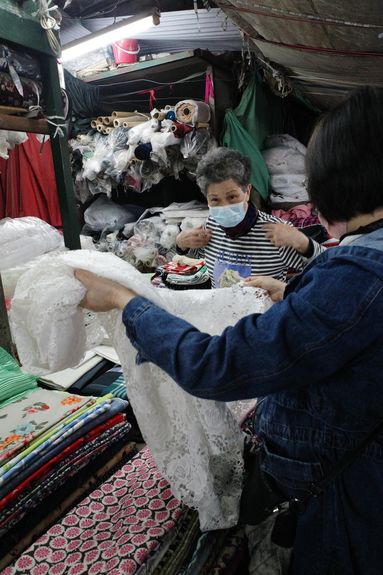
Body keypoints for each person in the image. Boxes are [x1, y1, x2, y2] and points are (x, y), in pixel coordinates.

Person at [75, 86, 383, 575]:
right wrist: (294, 296)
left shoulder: (357, 270)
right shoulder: (361, 263)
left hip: (350, 493)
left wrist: (124, 301)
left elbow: (215, 366)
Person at [175, 147, 325, 287]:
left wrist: (302, 241)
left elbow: (329, 266)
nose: (224, 206)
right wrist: (181, 243)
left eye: (232, 196)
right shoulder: (211, 225)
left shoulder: (276, 233)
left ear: (247, 191)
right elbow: (195, 257)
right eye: (214, 199)